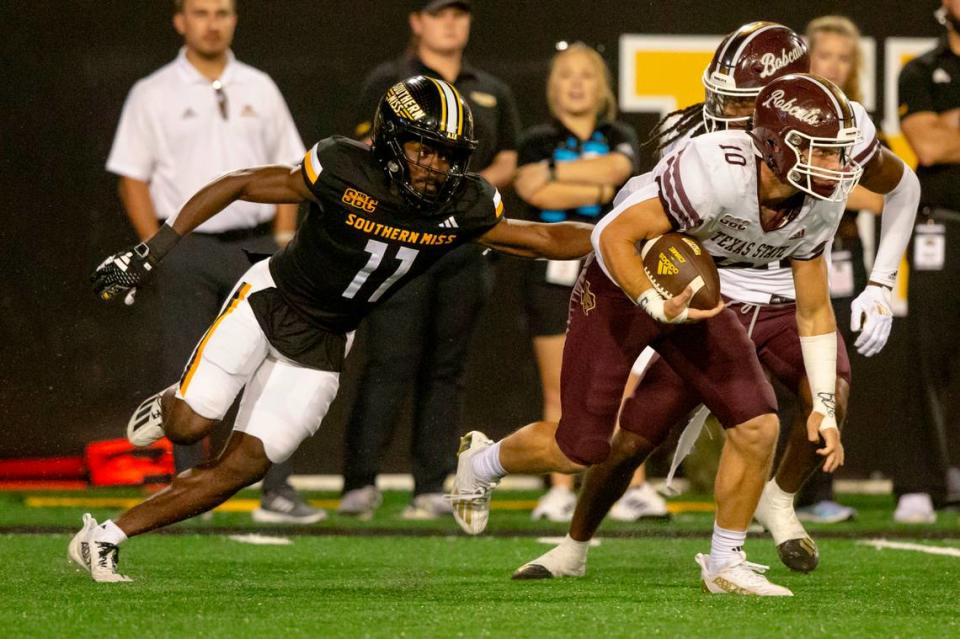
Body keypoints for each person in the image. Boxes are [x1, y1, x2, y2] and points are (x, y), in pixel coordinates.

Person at [72, 76, 594, 583]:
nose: (437, 166)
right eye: (425, 149)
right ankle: (171, 404)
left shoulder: (465, 204)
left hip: (327, 340)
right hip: (271, 301)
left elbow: (543, 239)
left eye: (449, 154)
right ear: (391, 139)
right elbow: (239, 183)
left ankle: (105, 537)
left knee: (242, 468)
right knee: (189, 426)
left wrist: (619, 236)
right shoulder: (344, 167)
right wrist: (150, 252)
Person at [510, 23, 918, 581]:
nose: (722, 111)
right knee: (630, 438)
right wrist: (655, 298)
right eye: (720, 96)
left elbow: (897, 193)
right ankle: (573, 543)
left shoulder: (835, 149)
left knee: (819, 401)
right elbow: (619, 228)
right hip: (709, 299)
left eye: (738, 101)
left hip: (781, 293)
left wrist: (878, 283)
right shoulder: (705, 148)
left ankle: (765, 516)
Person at [451, 72, 863, 597]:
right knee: (578, 448)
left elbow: (813, 312)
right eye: (822, 152)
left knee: (758, 422)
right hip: (623, 284)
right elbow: (611, 233)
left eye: (839, 153)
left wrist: (823, 405)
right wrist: (650, 300)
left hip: (690, 293)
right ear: (776, 147)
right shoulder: (719, 169)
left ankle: (724, 561)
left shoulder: (819, 201)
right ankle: (482, 461)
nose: (837, 167)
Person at [105, 0, 319, 523]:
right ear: (180, 21)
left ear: (234, 19)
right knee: (189, 362)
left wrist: (284, 238)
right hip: (190, 246)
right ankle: (187, 489)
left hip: (258, 244)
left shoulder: (259, 86)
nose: (212, 22)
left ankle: (278, 492)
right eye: (200, 12)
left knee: (279, 359)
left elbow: (292, 170)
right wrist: (154, 250)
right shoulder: (153, 92)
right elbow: (133, 175)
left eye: (222, 11)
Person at [338, 0, 522, 520]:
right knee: (388, 362)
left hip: (463, 247)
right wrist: (423, 188)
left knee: (447, 369)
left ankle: (430, 482)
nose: (450, 23)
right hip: (402, 240)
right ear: (417, 22)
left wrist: (455, 194)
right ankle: (359, 481)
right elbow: (364, 147)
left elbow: (508, 157)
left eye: (459, 14)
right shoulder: (389, 80)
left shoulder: (492, 87)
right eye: (438, 14)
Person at [512, 42, 643, 522]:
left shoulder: (619, 134)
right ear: (553, 85)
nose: (576, 83)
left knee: (624, 382)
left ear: (601, 86)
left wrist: (557, 178)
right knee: (558, 384)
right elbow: (529, 189)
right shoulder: (536, 139)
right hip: (550, 271)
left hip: (609, 267)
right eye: (566, 73)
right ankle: (560, 486)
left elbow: (620, 170)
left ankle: (629, 487)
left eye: (586, 74)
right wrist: (597, 186)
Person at [797, 14, 881, 525]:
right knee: (788, 377)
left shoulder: (861, 122)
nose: (832, 66)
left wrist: (838, 182)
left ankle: (816, 488)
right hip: (792, 255)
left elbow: (881, 194)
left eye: (843, 58)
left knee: (832, 376)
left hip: (843, 258)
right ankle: (781, 488)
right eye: (823, 55)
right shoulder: (788, 113)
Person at [894, 0, 960, 523]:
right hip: (944, 224)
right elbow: (930, 147)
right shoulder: (918, 71)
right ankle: (918, 484)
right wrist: (940, 131)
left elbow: (943, 134)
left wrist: (949, 122)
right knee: (928, 353)